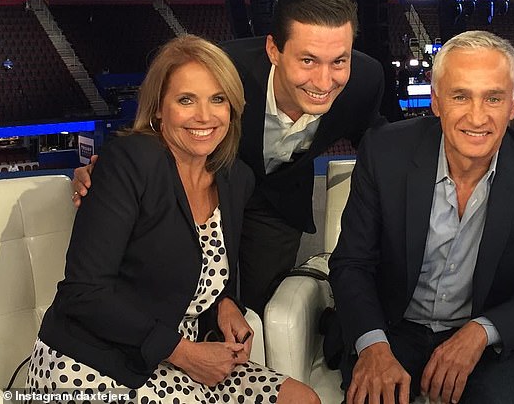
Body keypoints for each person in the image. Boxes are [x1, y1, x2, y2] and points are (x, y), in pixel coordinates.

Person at [27, 35, 319, 404]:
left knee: (302, 398)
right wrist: (183, 353)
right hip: (96, 359)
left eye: (218, 99)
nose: (204, 116)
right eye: (186, 100)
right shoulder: (130, 162)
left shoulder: (235, 179)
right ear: (159, 108)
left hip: (181, 357)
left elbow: (204, 269)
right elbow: (83, 294)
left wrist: (225, 304)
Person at [72, 0, 386, 316]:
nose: (325, 82)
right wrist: (112, 170)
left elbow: (378, 142)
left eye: (339, 61)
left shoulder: (364, 80)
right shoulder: (221, 68)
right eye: (308, 60)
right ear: (273, 50)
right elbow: (164, 121)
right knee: (176, 296)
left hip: (278, 201)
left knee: (256, 313)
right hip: (204, 190)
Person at [328, 31, 514, 404]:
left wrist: (481, 332)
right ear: (435, 101)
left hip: (481, 337)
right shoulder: (385, 151)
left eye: (493, 98)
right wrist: (373, 347)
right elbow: (351, 264)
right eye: (460, 96)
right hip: (390, 328)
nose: (477, 117)